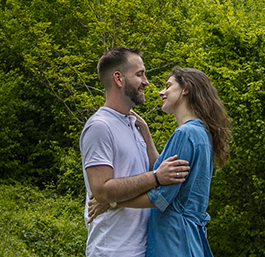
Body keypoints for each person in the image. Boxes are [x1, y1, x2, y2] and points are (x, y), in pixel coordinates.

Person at [88, 67, 232, 257]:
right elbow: (164, 172)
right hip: (190, 239)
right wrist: (147, 136)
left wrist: (113, 202)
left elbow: (162, 197)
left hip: (174, 240)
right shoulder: (200, 133)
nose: (161, 92)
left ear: (185, 89)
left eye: (168, 86)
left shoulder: (185, 134)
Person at [80, 47, 191, 257]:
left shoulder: (134, 124)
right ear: (118, 79)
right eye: (139, 74)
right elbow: (102, 191)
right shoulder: (100, 126)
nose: (146, 82)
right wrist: (156, 177)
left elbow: (155, 170)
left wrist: (147, 137)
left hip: (143, 248)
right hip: (112, 250)